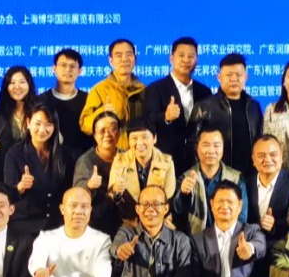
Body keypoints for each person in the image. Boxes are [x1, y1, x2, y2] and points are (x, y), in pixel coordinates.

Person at [144, 37, 212, 175]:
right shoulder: (155, 88)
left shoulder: (204, 91)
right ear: (171, 58)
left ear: (196, 60)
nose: (186, 60)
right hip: (166, 161)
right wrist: (166, 117)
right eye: (181, 55)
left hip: (198, 162)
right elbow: (147, 122)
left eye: (191, 56)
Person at [189, 53, 264, 176]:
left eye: (238, 75)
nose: (234, 79)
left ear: (246, 77)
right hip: (216, 175)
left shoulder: (254, 106)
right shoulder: (204, 106)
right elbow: (192, 144)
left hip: (249, 175)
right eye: (228, 75)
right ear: (219, 77)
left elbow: (260, 140)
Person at [4, 103, 68, 237]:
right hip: (26, 222)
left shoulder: (63, 154)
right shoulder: (15, 153)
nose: (42, 129)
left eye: (48, 124)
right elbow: (7, 193)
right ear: (28, 123)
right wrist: (20, 187)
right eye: (37, 124)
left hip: (56, 222)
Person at [173, 126, 247, 236]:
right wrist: (183, 193)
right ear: (197, 148)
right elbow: (178, 212)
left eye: (216, 146)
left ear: (223, 148)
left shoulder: (236, 178)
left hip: (228, 240)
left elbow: (242, 217)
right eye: (206, 145)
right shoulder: (185, 178)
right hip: (195, 240)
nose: (211, 151)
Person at [79, 39, 147, 151]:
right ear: (111, 61)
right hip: (112, 153)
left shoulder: (143, 90)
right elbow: (85, 124)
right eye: (119, 55)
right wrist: (102, 111)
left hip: (138, 152)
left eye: (129, 54)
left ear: (135, 59)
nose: (124, 59)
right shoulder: (99, 89)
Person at [245, 135, 289, 245]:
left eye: (273, 155)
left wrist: (275, 225)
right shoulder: (246, 184)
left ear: (281, 157)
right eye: (261, 156)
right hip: (250, 246)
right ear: (253, 160)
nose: (267, 160)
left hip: (282, 247)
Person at [108, 118, 177, 224]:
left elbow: (168, 198)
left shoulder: (167, 162)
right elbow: (112, 199)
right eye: (134, 138)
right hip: (129, 222)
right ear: (128, 141)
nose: (139, 143)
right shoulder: (119, 161)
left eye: (145, 137)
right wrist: (117, 192)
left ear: (154, 138)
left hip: (159, 221)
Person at [37, 48, 91, 170]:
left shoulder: (88, 100)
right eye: (63, 65)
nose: (68, 70)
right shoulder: (41, 100)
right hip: (48, 163)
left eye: (72, 66)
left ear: (80, 71)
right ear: (54, 69)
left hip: (82, 163)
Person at [72, 112, 123, 237]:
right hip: (97, 221)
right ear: (94, 135)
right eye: (101, 131)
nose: (107, 135)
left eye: (112, 129)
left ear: (119, 132)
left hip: (125, 220)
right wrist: (89, 185)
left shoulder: (127, 156)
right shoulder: (86, 162)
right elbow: (76, 195)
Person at [0, 66, 39, 144]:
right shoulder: (0, 116)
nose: (17, 87)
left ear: (29, 84)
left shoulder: (39, 111)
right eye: (12, 83)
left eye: (22, 82)